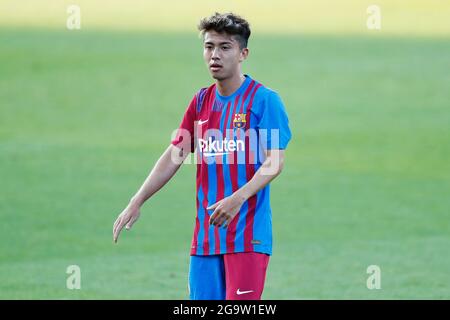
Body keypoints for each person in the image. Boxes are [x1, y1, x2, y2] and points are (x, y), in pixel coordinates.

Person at [113, 12, 292, 300]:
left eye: (225, 47)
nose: (215, 55)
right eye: (209, 47)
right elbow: (175, 154)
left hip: (247, 238)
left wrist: (237, 199)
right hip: (206, 240)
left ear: (243, 53)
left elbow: (274, 162)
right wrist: (137, 200)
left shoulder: (264, 100)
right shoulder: (200, 102)